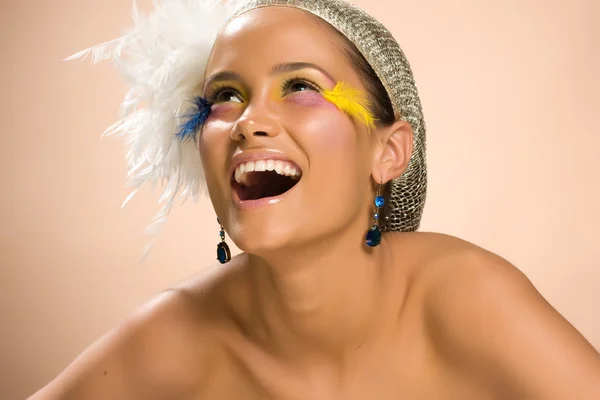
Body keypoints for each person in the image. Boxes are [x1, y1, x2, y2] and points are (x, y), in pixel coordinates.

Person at [30, 0, 600, 398]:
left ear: (389, 153)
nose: (249, 121)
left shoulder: (468, 299)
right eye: (225, 95)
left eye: (300, 86)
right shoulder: (172, 339)